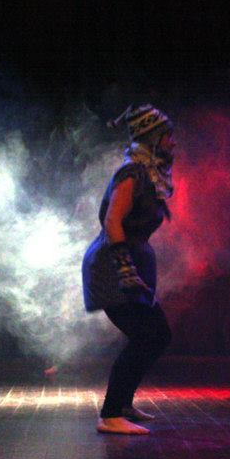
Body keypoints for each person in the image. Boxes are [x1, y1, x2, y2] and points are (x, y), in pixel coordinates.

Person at [82, 104, 177, 435]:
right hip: (113, 266)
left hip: (131, 263)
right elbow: (113, 221)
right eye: (167, 136)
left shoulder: (146, 174)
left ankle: (122, 404)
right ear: (152, 138)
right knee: (147, 335)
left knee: (157, 335)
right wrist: (125, 268)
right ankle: (110, 414)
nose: (173, 142)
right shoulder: (132, 173)